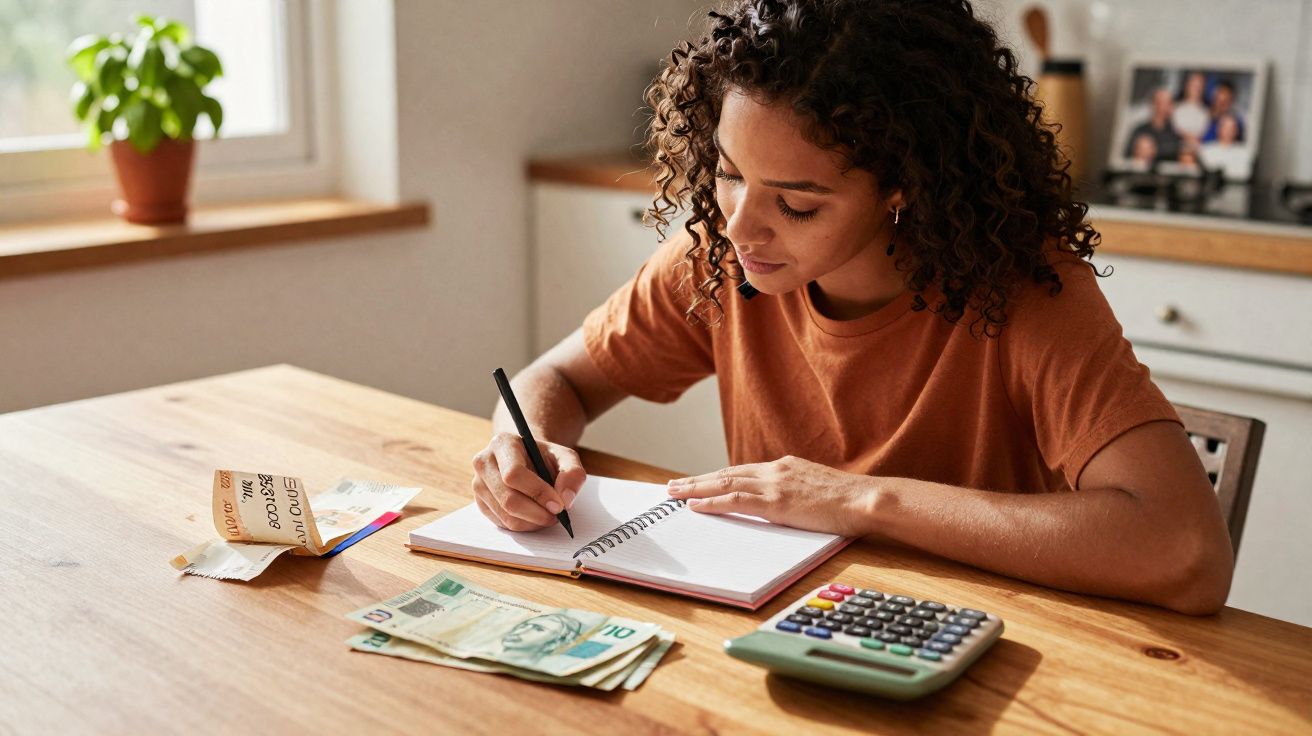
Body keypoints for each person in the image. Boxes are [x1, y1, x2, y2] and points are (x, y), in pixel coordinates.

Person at [470, 0, 1233, 615]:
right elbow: (558, 381)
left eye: (797, 204)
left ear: (903, 189)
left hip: (983, 648)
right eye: (730, 175)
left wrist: (858, 500)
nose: (738, 225)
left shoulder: (1024, 290)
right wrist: (523, 447)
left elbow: (1186, 551)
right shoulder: (723, 256)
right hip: (781, 625)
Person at [1124, 87, 1182, 163]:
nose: (1165, 107)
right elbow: (1128, 155)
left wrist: (1155, 151)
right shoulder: (1139, 130)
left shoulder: (1174, 134)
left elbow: (1176, 157)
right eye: (1161, 103)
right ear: (1153, 104)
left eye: (1168, 103)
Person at [1172, 71, 1210, 147]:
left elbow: (1203, 133)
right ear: (1187, 86)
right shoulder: (1175, 108)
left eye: (1200, 85)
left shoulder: (1206, 111)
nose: (1197, 88)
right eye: (1194, 85)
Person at [1202, 79, 1245, 143]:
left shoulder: (1236, 122)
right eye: (1218, 100)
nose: (1221, 105)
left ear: (1231, 100)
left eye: (1225, 101)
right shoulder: (1203, 114)